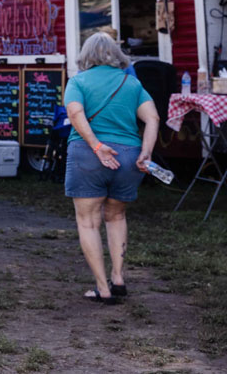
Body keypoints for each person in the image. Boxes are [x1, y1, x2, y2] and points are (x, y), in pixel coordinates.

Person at [64, 32, 159, 304]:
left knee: (88, 221)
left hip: (88, 155)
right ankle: (118, 278)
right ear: (116, 55)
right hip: (129, 157)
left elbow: (75, 113)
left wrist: (96, 146)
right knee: (116, 216)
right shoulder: (132, 83)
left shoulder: (78, 81)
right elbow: (152, 118)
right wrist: (146, 152)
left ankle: (102, 288)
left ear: (86, 55)